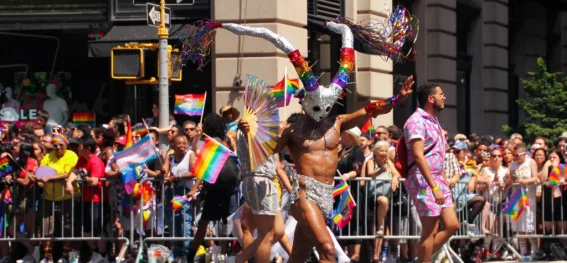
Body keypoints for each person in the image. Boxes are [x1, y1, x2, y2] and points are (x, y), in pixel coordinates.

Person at [229, 20, 414, 262]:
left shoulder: (337, 124)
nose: (322, 112)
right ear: (305, 104)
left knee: (300, 254)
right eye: (316, 107)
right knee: (327, 249)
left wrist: (396, 99)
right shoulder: (293, 131)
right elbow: (265, 151)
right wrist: (248, 133)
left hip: (327, 195)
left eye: (326, 108)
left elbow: (369, 110)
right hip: (305, 195)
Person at [403, 83, 459, 263]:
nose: (445, 97)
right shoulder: (416, 121)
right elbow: (419, 156)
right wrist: (434, 186)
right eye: (441, 94)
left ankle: (421, 259)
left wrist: (441, 180)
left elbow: (437, 154)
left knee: (452, 224)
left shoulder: (433, 120)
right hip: (422, 180)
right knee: (430, 231)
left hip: (437, 178)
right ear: (430, 98)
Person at [186, 114, 240, 262]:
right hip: (229, 189)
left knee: (203, 224)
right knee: (232, 224)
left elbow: (203, 165)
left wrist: (195, 188)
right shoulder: (225, 141)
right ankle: (233, 254)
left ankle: (190, 256)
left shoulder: (211, 144)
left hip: (215, 189)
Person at [37, 134, 79, 263]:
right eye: (55, 145)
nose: (58, 147)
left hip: (67, 196)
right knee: (47, 228)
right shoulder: (48, 156)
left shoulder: (71, 155)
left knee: (68, 228)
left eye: (61, 145)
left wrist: (49, 177)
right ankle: (47, 257)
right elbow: (40, 171)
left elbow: (68, 173)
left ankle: (66, 257)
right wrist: (42, 178)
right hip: (49, 197)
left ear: (66, 145)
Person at [73, 135, 109, 263]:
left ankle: (103, 254)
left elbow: (94, 181)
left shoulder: (95, 161)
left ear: (88, 148)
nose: (78, 148)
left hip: (98, 199)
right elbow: (74, 171)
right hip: (86, 199)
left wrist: (84, 178)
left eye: (80, 146)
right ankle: (95, 252)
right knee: (86, 230)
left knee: (99, 228)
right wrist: (68, 183)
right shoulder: (82, 159)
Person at [508, 143, 540, 259]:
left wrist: (525, 181)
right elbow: (510, 179)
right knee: (518, 227)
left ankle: (535, 250)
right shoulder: (512, 164)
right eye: (514, 155)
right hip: (516, 197)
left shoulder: (530, 162)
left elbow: (536, 177)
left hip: (528, 197)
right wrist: (509, 179)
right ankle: (523, 253)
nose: (515, 158)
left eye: (517, 155)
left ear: (523, 154)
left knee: (528, 225)